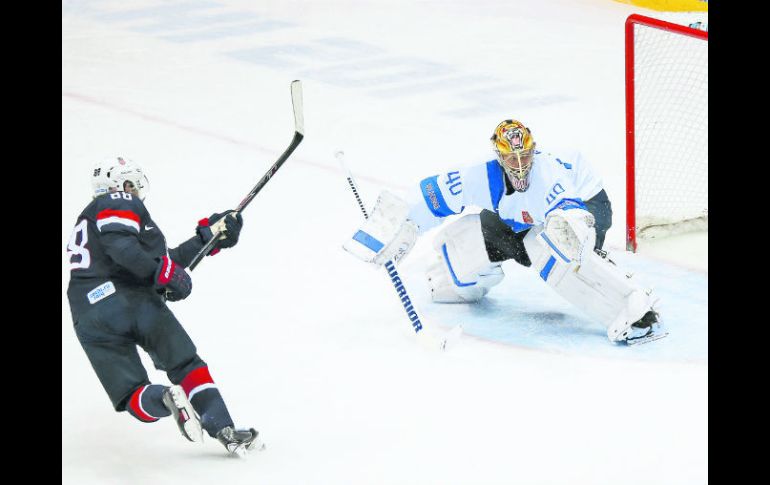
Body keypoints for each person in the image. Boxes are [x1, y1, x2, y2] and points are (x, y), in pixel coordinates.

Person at [343, 119, 666, 345]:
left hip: (586, 203)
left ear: (534, 151)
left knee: (553, 247)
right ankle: (452, 281)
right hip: (521, 216)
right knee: (468, 242)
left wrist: (578, 235)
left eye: (525, 156)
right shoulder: (477, 175)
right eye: (512, 158)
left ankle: (633, 308)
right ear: (498, 156)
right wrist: (393, 230)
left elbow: (570, 214)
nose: (520, 165)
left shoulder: (549, 175)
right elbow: (429, 197)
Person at [66, 156, 262, 456]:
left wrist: (208, 239)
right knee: (186, 365)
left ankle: (168, 398)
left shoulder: (97, 222)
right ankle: (223, 427)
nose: (134, 190)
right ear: (118, 184)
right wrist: (164, 275)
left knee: (132, 394)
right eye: (129, 183)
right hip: (133, 299)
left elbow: (159, 263)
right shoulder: (117, 201)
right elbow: (125, 252)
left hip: (89, 314)